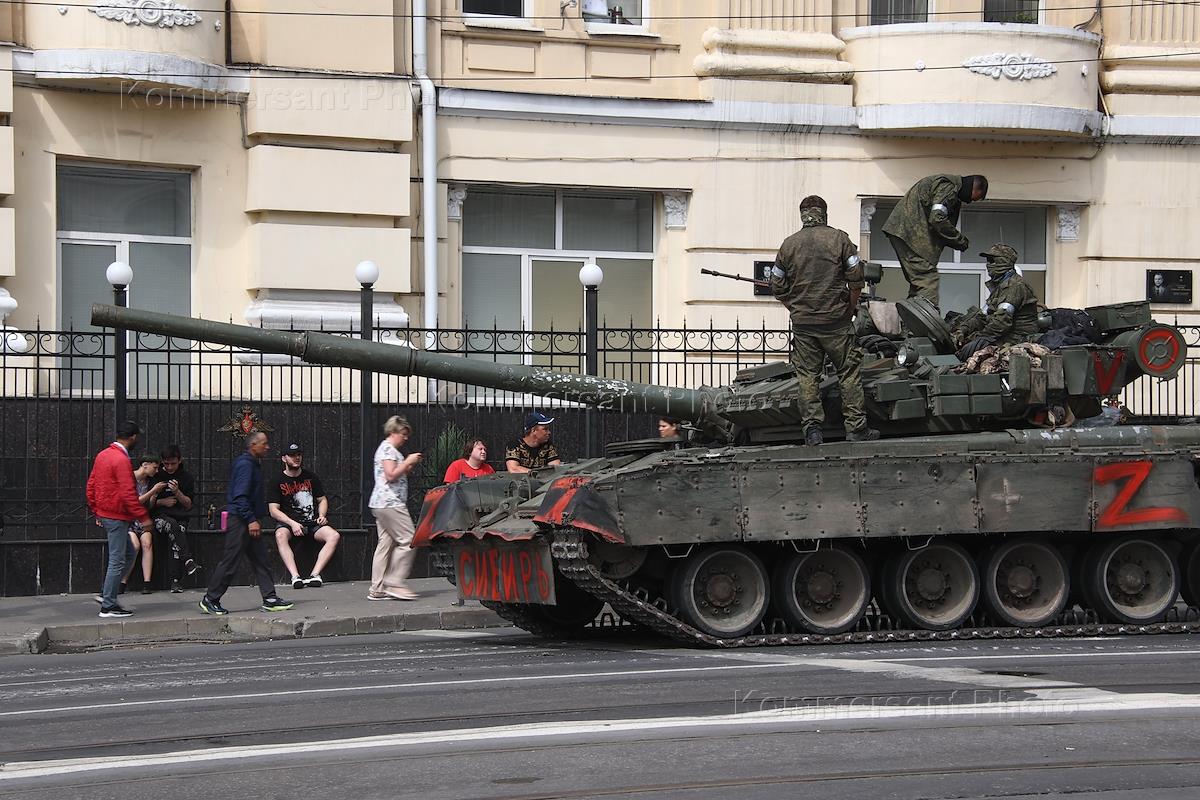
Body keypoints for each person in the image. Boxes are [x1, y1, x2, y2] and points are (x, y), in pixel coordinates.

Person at [771, 195, 879, 446]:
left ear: (802, 215)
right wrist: (849, 308)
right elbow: (856, 279)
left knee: (807, 376)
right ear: (824, 213)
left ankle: (812, 430)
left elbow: (776, 285)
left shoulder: (788, 245)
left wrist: (794, 308)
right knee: (848, 373)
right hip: (836, 321)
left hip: (804, 324)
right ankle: (856, 429)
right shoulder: (839, 240)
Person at [199, 432, 294, 615]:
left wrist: (254, 519)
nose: (268, 447)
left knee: (261, 560)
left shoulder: (253, 464)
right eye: (264, 443)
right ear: (253, 445)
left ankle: (270, 598)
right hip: (241, 521)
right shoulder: (245, 465)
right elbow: (240, 496)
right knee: (230, 561)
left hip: (249, 519)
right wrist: (251, 520)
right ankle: (210, 599)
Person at [882, 174, 988, 306]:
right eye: (975, 197)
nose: (970, 201)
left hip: (906, 233)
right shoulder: (947, 187)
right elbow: (937, 218)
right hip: (910, 235)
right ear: (974, 188)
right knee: (927, 280)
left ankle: (913, 314)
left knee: (919, 285)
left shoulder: (949, 188)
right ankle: (926, 315)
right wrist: (959, 239)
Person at [85, 420, 152, 618]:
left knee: (129, 552)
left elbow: (91, 485)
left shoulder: (103, 455)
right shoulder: (121, 460)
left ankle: (108, 593)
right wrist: (143, 517)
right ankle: (108, 605)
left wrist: (96, 510)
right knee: (117, 559)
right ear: (133, 437)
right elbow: (128, 493)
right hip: (116, 515)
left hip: (107, 513)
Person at [267, 443, 341, 590]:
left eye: (299, 455)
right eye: (292, 455)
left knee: (334, 536)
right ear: (284, 458)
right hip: (289, 523)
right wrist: (292, 523)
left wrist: (321, 515)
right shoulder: (277, 480)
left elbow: (322, 500)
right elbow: (273, 510)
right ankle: (295, 577)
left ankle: (315, 575)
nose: (297, 458)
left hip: (311, 522)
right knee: (280, 535)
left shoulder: (311, 477)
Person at [368, 416, 424, 601]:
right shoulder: (388, 449)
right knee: (409, 540)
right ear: (393, 432)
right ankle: (395, 583)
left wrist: (408, 464)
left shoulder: (389, 450)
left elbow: (396, 473)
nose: (406, 438)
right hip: (390, 502)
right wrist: (407, 462)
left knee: (385, 545)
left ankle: (378, 588)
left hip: (382, 503)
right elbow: (391, 475)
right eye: (403, 434)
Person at [953, 244, 1040, 360]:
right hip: (1001, 336)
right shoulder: (1000, 287)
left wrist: (977, 337)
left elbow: (1002, 322)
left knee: (966, 352)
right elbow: (981, 316)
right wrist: (963, 330)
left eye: (992, 260)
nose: (988, 264)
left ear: (1004, 261)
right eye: (988, 261)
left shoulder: (1015, 286)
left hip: (1016, 339)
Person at [152, 444, 202, 593]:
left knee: (176, 534)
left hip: (180, 517)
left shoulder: (186, 478)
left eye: (173, 463)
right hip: (160, 517)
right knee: (174, 527)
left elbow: (188, 505)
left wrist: (177, 492)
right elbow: (148, 503)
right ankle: (188, 561)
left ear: (179, 461)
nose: (169, 467)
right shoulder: (157, 476)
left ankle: (175, 580)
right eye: (166, 463)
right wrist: (162, 501)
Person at [122, 454, 166, 595]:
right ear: (145, 464)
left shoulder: (151, 481)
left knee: (147, 543)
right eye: (155, 467)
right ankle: (123, 581)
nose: (156, 471)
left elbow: (149, 505)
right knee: (134, 546)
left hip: (143, 519)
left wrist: (154, 495)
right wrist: (153, 491)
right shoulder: (129, 478)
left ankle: (147, 582)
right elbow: (134, 502)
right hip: (128, 520)